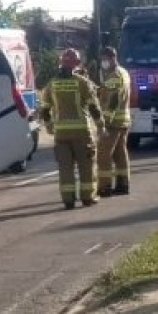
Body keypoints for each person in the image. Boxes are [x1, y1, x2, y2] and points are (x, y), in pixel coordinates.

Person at [38, 48, 103, 208]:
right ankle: (88, 197)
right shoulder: (82, 82)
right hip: (82, 132)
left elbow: (45, 110)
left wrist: (49, 127)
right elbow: (93, 106)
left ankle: (68, 199)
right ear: (76, 64)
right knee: (86, 166)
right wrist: (101, 125)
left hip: (61, 134)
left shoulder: (51, 84)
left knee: (65, 168)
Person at [95, 46, 133, 196]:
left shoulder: (113, 76)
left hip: (113, 122)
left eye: (104, 59)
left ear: (112, 58)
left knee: (103, 155)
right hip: (124, 120)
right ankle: (123, 184)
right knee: (120, 154)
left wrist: (104, 121)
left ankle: (104, 187)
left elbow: (113, 99)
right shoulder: (124, 72)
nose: (103, 62)